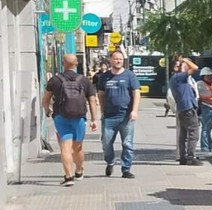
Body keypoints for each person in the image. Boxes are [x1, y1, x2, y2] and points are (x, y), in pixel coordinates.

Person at [42, 54, 100, 186]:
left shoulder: (55, 80)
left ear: (63, 63)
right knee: (78, 147)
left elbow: (45, 100)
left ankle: (68, 177)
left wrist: (48, 110)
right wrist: (94, 119)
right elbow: (92, 100)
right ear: (76, 64)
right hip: (79, 118)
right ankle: (79, 171)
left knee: (65, 148)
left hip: (60, 117)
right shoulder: (84, 80)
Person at [97, 50, 141, 179]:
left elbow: (136, 93)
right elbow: (100, 94)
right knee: (106, 143)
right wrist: (102, 111)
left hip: (126, 116)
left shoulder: (130, 76)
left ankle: (126, 169)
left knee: (127, 144)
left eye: (121, 59)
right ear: (110, 60)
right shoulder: (104, 77)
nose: (118, 61)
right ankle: (110, 162)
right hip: (109, 116)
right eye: (116, 59)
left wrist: (134, 111)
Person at [170, 56, 202, 166]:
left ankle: (183, 157)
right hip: (188, 108)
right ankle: (191, 157)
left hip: (182, 108)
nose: (182, 66)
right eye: (179, 65)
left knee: (183, 134)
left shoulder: (175, 78)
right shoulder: (179, 77)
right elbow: (195, 68)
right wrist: (184, 60)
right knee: (193, 132)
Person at [195, 67, 212, 153]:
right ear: (203, 76)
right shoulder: (200, 84)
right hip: (206, 107)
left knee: (208, 128)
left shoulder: (210, 84)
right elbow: (201, 96)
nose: (209, 77)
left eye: (210, 76)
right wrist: (210, 99)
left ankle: (209, 146)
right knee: (205, 128)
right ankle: (205, 148)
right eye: (207, 76)